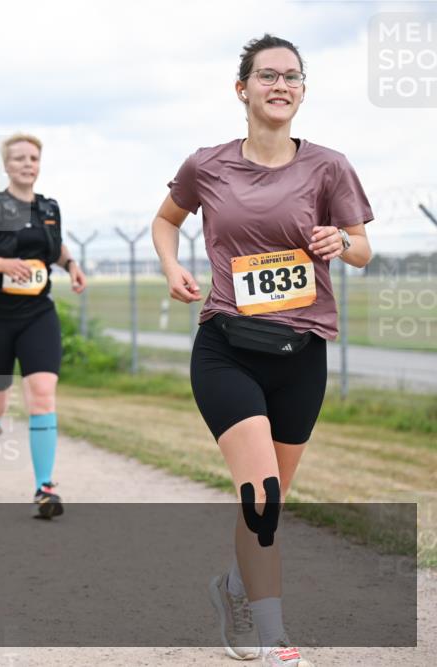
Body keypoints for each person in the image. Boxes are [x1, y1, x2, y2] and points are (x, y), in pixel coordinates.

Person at [151, 34, 373, 667]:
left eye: (293, 77)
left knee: (268, 503)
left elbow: (361, 248)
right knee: (263, 496)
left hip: (302, 352)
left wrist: (339, 241)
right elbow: (166, 219)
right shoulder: (208, 164)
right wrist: (172, 269)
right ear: (242, 88)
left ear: (303, 91)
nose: (282, 85)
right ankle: (272, 634)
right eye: (268, 75)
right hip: (228, 345)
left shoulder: (329, 166)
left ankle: (232, 586)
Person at [0, 133, 86, 519]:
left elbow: (54, 246)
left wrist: (71, 267)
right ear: (7, 165)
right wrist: (3, 265)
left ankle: (44, 488)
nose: (28, 163)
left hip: (37, 314)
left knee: (42, 394)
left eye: (34, 158)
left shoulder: (49, 206)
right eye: (20, 158)